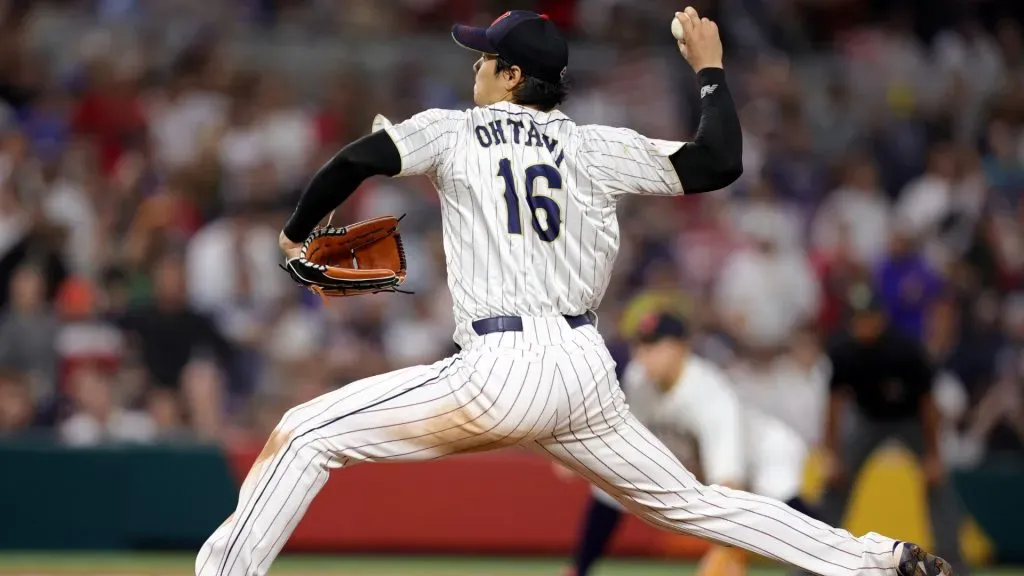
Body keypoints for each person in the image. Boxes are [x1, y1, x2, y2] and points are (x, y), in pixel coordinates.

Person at [196, 9, 954, 576]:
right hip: (584, 371)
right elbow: (718, 162)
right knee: (688, 501)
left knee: (304, 433)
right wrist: (712, 70)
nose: (476, 67)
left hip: (501, 365)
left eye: (487, 58)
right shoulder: (595, 143)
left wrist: (299, 234)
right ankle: (881, 562)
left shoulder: (457, 130)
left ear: (512, 78)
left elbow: (352, 161)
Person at [560, 311, 818, 576]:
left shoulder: (709, 395)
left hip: (764, 458)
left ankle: (847, 562)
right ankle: (579, 569)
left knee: (796, 533)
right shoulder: (639, 380)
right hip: (709, 467)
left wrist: (726, 551)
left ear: (682, 347)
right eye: (640, 345)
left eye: (654, 345)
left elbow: (729, 485)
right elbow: (621, 445)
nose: (644, 355)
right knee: (611, 485)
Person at [821, 287, 968, 575]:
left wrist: (934, 455)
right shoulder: (843, 351)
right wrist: (832, 455)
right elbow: (834, 406)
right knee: (835, 481)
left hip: (910, 419)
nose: (864, 324)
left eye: (869, 317)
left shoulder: (905, 349)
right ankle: (815, 555)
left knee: (937, 480)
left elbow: (928, 406)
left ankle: (954, 561)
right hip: (868, 419)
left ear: (882, 318)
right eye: (858, 318)